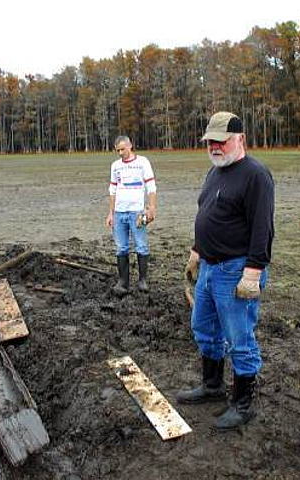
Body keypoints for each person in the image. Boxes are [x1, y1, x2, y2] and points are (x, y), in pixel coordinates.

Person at [177, 112, 274, 430]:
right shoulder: (215, 172)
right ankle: (213, 385)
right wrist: (196, 251)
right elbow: (207, 212)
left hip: (237, 269)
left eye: (221, 141)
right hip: (209, 266)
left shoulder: (256, 175)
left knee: (239, 338)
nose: (215, 147)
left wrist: (253, 272)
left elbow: (263, 228)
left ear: (240, 139)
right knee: (203, 327)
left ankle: (243, 403)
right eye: (211, 142)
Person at [105, 135, 157, 295]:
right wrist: (111, 213)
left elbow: (151, 186)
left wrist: (151, 208)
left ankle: (142, 280)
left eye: (122, 149)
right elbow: (112, 190)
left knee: (141, 245)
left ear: (130, 146)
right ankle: (123, 281)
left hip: (137, 211)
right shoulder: (115, 166)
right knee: (121, 247)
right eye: (118, 150)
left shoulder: (142, 162)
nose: (120, 153)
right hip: (120, 212)